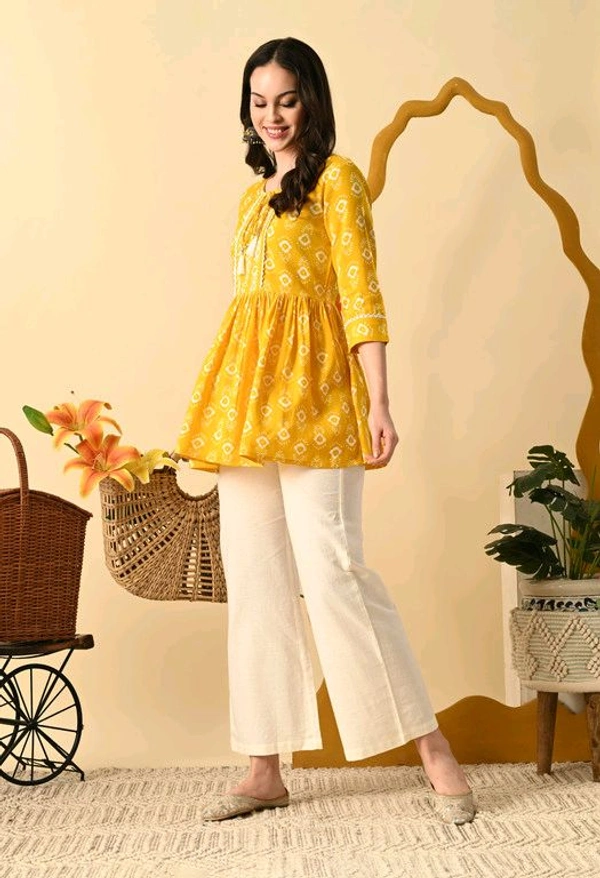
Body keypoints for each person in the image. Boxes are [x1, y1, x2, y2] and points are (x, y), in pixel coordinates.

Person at [175, 36, 475, 825]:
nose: (272, 116)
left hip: (318, 401)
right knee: (256, 582)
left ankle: (432, 746)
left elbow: (360, 293)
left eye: (286, 99)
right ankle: (264, 765)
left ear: (311, 101)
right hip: (246, 407)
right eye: (259, 101)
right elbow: (250, 311)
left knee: (336, 571)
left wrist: (379, 401)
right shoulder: (250, 201)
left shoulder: (339, 181)